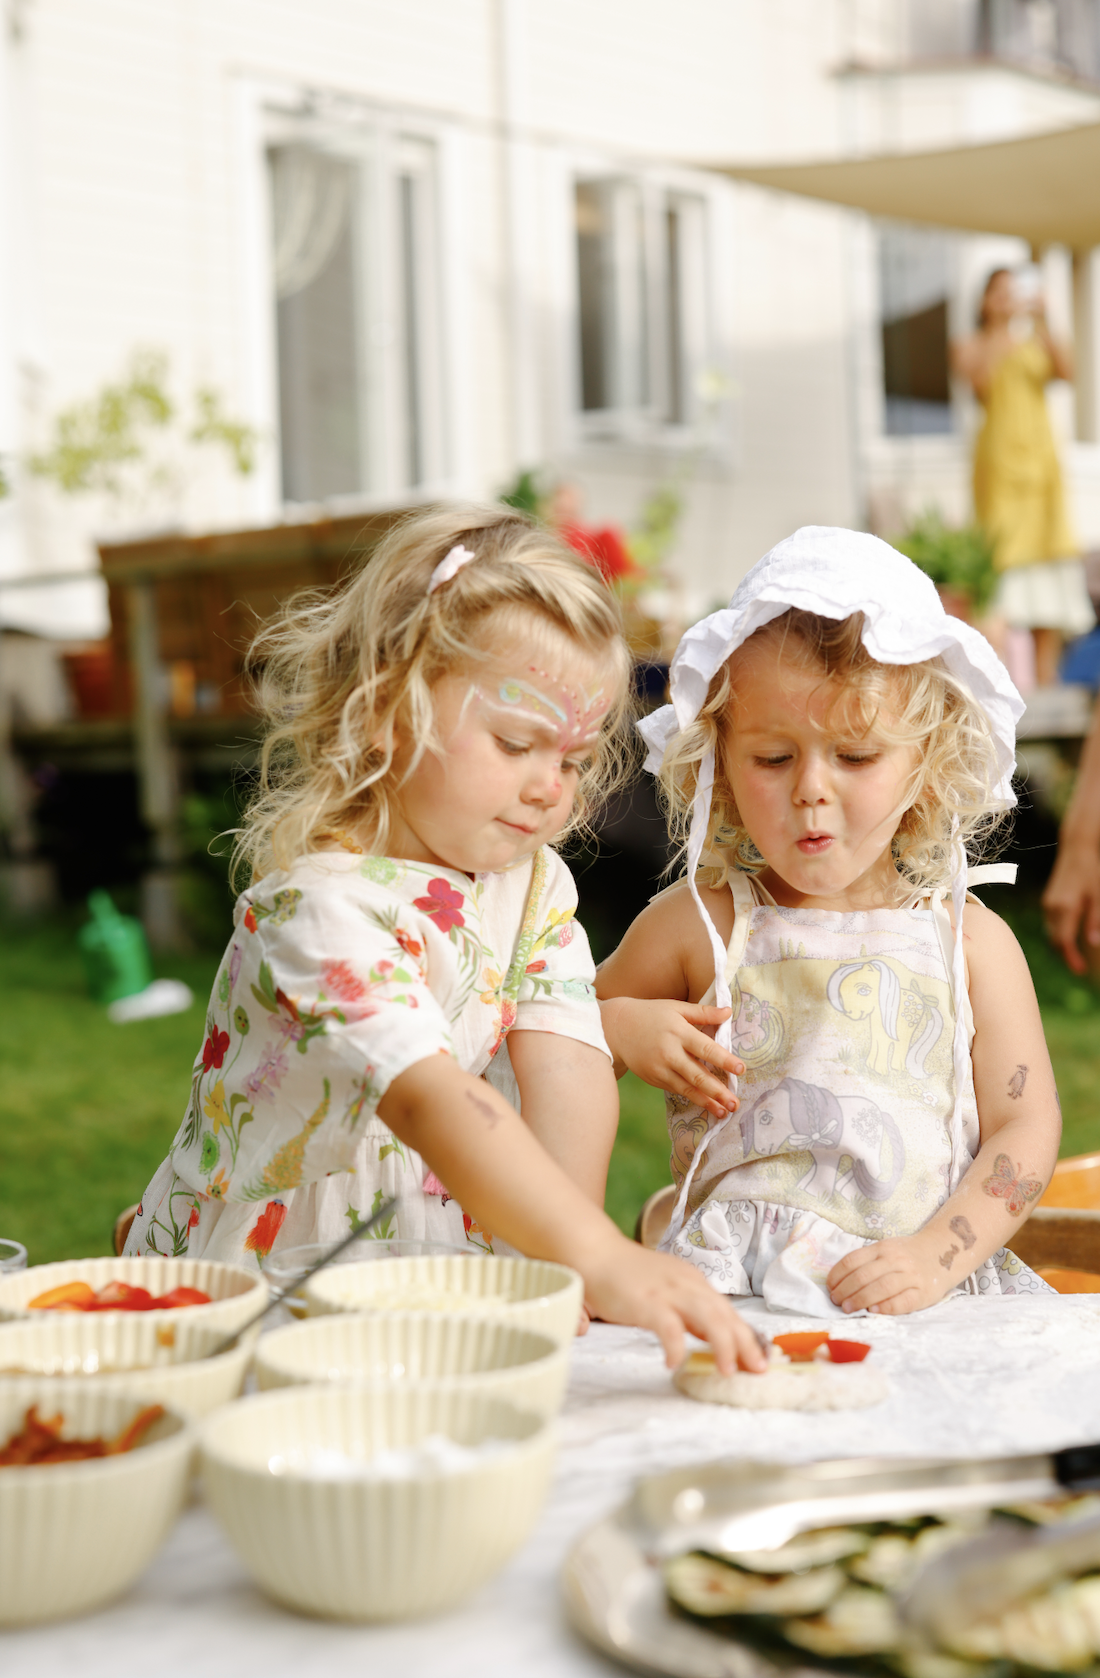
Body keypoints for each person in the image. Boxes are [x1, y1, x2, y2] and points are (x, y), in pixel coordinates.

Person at [125, 505, 762, 1372]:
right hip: (272, 1287)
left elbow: (567, 1059)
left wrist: (562, 1259)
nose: (550, 788)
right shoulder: (318, 911)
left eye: (574, 762)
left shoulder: (533, 884)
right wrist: (601, 1255)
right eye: (515, 742)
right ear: (389, 706)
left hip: (440, 1251)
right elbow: (429, 1099)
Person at [597, 526, 1061, 1317]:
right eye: (774, 758)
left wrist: (935, 1257)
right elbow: (550, 1039)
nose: (812, 788)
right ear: (720, 761)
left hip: (918, 1288)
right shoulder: (698, 926)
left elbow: (1026, 1123)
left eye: (854, 757)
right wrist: (617, 1029)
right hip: (733, 1294)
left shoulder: (968, 944)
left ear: (927, 759)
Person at [952, 267, 1091, 687]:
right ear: (983, 301)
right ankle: (1000, 685)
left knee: (1047, 564)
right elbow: (978, 381)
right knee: (1001, 569)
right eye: (998, 293)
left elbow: (1067, 373)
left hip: (1041, 467)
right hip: (998, 470)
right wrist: (998, 325)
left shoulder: (1035, 339)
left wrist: (1044, 316)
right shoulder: (971, 343)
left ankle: (1047, 681)